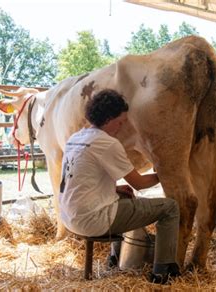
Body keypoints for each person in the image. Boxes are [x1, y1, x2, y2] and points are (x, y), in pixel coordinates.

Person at [59, 89, 180, 284]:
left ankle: (114, 258)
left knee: (124, 197)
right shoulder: (107, 143)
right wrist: (165, 174)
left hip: (69, 216)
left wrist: (115, 189)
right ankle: (163, 271)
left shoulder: (76, 138)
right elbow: (139, 184)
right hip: (91, 220)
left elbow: (78, 179)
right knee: (170, 208)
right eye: (120, 121)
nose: (122, 126)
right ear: (108, 118)